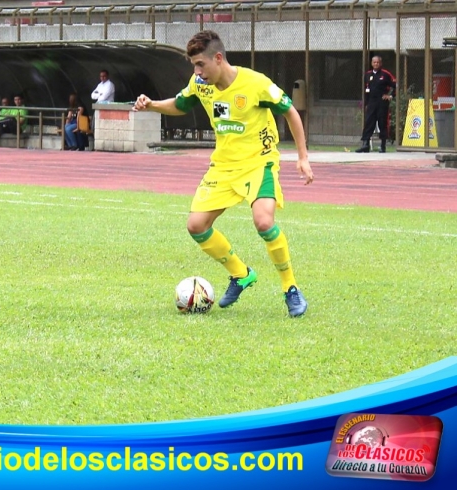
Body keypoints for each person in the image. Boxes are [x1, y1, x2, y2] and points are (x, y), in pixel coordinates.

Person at [133, 30, 314, 317]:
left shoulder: (255, 83)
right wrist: (152, 105)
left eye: (201, 64)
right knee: (196, 226)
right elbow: (181, 104)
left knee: (264, 222)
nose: (197, 71)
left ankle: (290, 288)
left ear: (218, 58)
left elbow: (290, 111)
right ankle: (241, 274)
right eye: (194, 65)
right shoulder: (200, 84)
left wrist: (303, 157)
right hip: (224, 166)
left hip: (259, 163)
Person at [355, 55, 396, 153]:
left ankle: (383, 146)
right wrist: (366, 103)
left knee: (382, 123)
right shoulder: (368, 75)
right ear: (371, 63)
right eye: (374, 62)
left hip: (382, 103)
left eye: (378, 62)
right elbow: (366, 90)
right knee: (369, 123)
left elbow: (396, 85)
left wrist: (390, 96)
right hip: (371, 103)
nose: (376, 64)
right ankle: (365, 145)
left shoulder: (386, 74)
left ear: (380, 63)